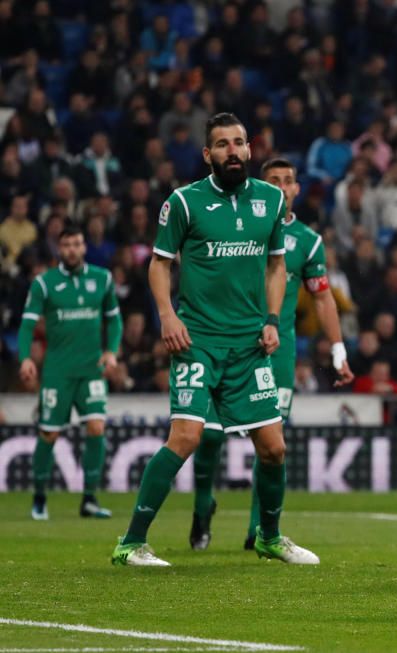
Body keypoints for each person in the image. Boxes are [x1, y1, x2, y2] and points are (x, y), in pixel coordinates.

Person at [111, 113, 317, 567]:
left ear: (250, 149)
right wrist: (167, 315)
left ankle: (269, 536)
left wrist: (271, 318)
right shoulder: (184, 203)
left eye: (238, 142)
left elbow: (277, 267)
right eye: (222, 144)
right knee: (185, 437)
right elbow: (160, 263)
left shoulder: (269, 200)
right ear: (208, 154)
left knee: (274, 448)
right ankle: (131, 543)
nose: (232, 151)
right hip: (197, 341)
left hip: (249, 345)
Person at [189, 157, 354, 552]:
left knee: (269, 443)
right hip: (221, 343)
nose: (282, 187)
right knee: (208, 436)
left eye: (288, 181)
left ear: (297, 189)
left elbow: (322, 298)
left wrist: (338, 350)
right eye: (273, 181)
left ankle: (256, 531)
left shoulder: (308, 242)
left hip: (274, 355)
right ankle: (201, 508)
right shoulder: (237, 226)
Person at [17, 223, 121, 521]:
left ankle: (89, 498)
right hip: (57, 372)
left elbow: (114, 320)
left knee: (96, 428)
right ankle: (39, 497)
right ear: (59, 249)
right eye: (66, 245)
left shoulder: (102, 279)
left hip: (91, 370)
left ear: (84, 247)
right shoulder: (44, 283)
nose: (72, 250)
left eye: (77, 244)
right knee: (49, 433)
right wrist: (25, 358)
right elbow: (26, 325)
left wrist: (111, 351)